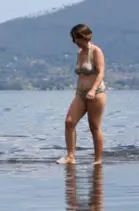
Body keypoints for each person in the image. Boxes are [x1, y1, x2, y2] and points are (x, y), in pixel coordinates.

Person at [56, 24, 107, 165]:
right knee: (69, 122)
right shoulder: (79, 53)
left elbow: (101, 73)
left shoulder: (96, 51)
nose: (74, 42)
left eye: (76, 38)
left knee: (94, 127)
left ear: (84, 37)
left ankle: (97, 160)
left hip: (96, 93)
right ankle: (70, 157)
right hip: (80, 93)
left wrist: (92, 90)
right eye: (73, 39)